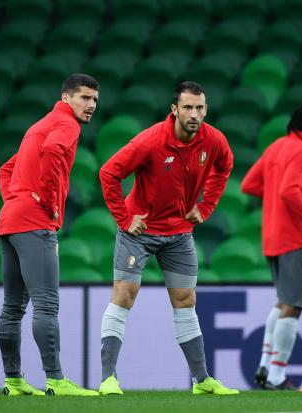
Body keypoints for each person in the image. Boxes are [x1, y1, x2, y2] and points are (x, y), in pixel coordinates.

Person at [97, 81, 238, 395]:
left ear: (206, 110)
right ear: (174, 110)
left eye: (199, 108)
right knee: (124, 294)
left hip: (179, 233)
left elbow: (224, 167)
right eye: (187, 107)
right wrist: (124, 218)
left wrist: (206, 206)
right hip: (140, 231)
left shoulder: (214, 140)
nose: (194, 114)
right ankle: (108, 379)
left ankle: (202, 382)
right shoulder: (150, 141)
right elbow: (108, 173)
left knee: (186, 300)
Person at [0, 73, 100, 396]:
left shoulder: (39, 125)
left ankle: (13, 382)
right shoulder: (66, 124)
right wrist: (47, 201)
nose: (91, 104)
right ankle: (55, 380)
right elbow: (53, 152)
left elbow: (5, 170)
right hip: (34, 221)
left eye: (95, 99)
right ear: (66, 98)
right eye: (85, 97)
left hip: (10, 221)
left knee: (12, 308)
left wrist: (16, 200)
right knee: (46, 305)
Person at [241, 102, 302, 391]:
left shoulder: (276, 147)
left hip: (271, 237)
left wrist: (274, 195)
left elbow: (248, 185)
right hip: (294, 237)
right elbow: (290, 191)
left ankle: (265, 366)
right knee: (292, 306)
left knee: (283, 302)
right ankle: (276, 376)